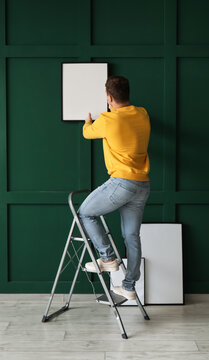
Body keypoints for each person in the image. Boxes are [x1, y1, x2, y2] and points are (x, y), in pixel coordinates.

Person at [77, 75, 151, 300]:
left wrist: (89, 120)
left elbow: (87, 133)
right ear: (128, 94)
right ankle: (129, 286)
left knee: (85, 212)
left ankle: (107, 258)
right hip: (143, 184)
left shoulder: (108, 120)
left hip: (121, 183)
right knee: (132, 237)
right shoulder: (143, 113)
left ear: (109, 97)